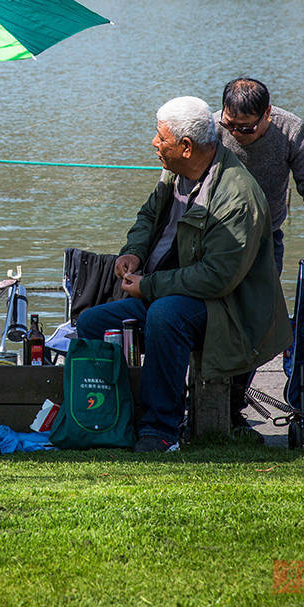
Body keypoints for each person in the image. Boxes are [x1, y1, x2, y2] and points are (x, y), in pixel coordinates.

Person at [78, 97, 289, 453]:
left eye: (160, 138)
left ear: (186, 147)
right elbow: (147, 217)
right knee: (91, 324)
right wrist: (134, 252)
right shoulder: (174, 172)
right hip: (171, 294)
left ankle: (161, 429)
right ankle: (107, 418)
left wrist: (148, 285)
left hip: (229, 311)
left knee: (166, 315)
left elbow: (217, 278)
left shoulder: (236, 197)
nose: (154, 144)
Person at [215, 78, 304, 273]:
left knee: (264, 302)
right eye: (230, 125)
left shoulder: (291, 129)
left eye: (246, 128)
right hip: (219, 234)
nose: (235, 133)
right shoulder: (213, 129)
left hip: (266, 236)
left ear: (267, 113)